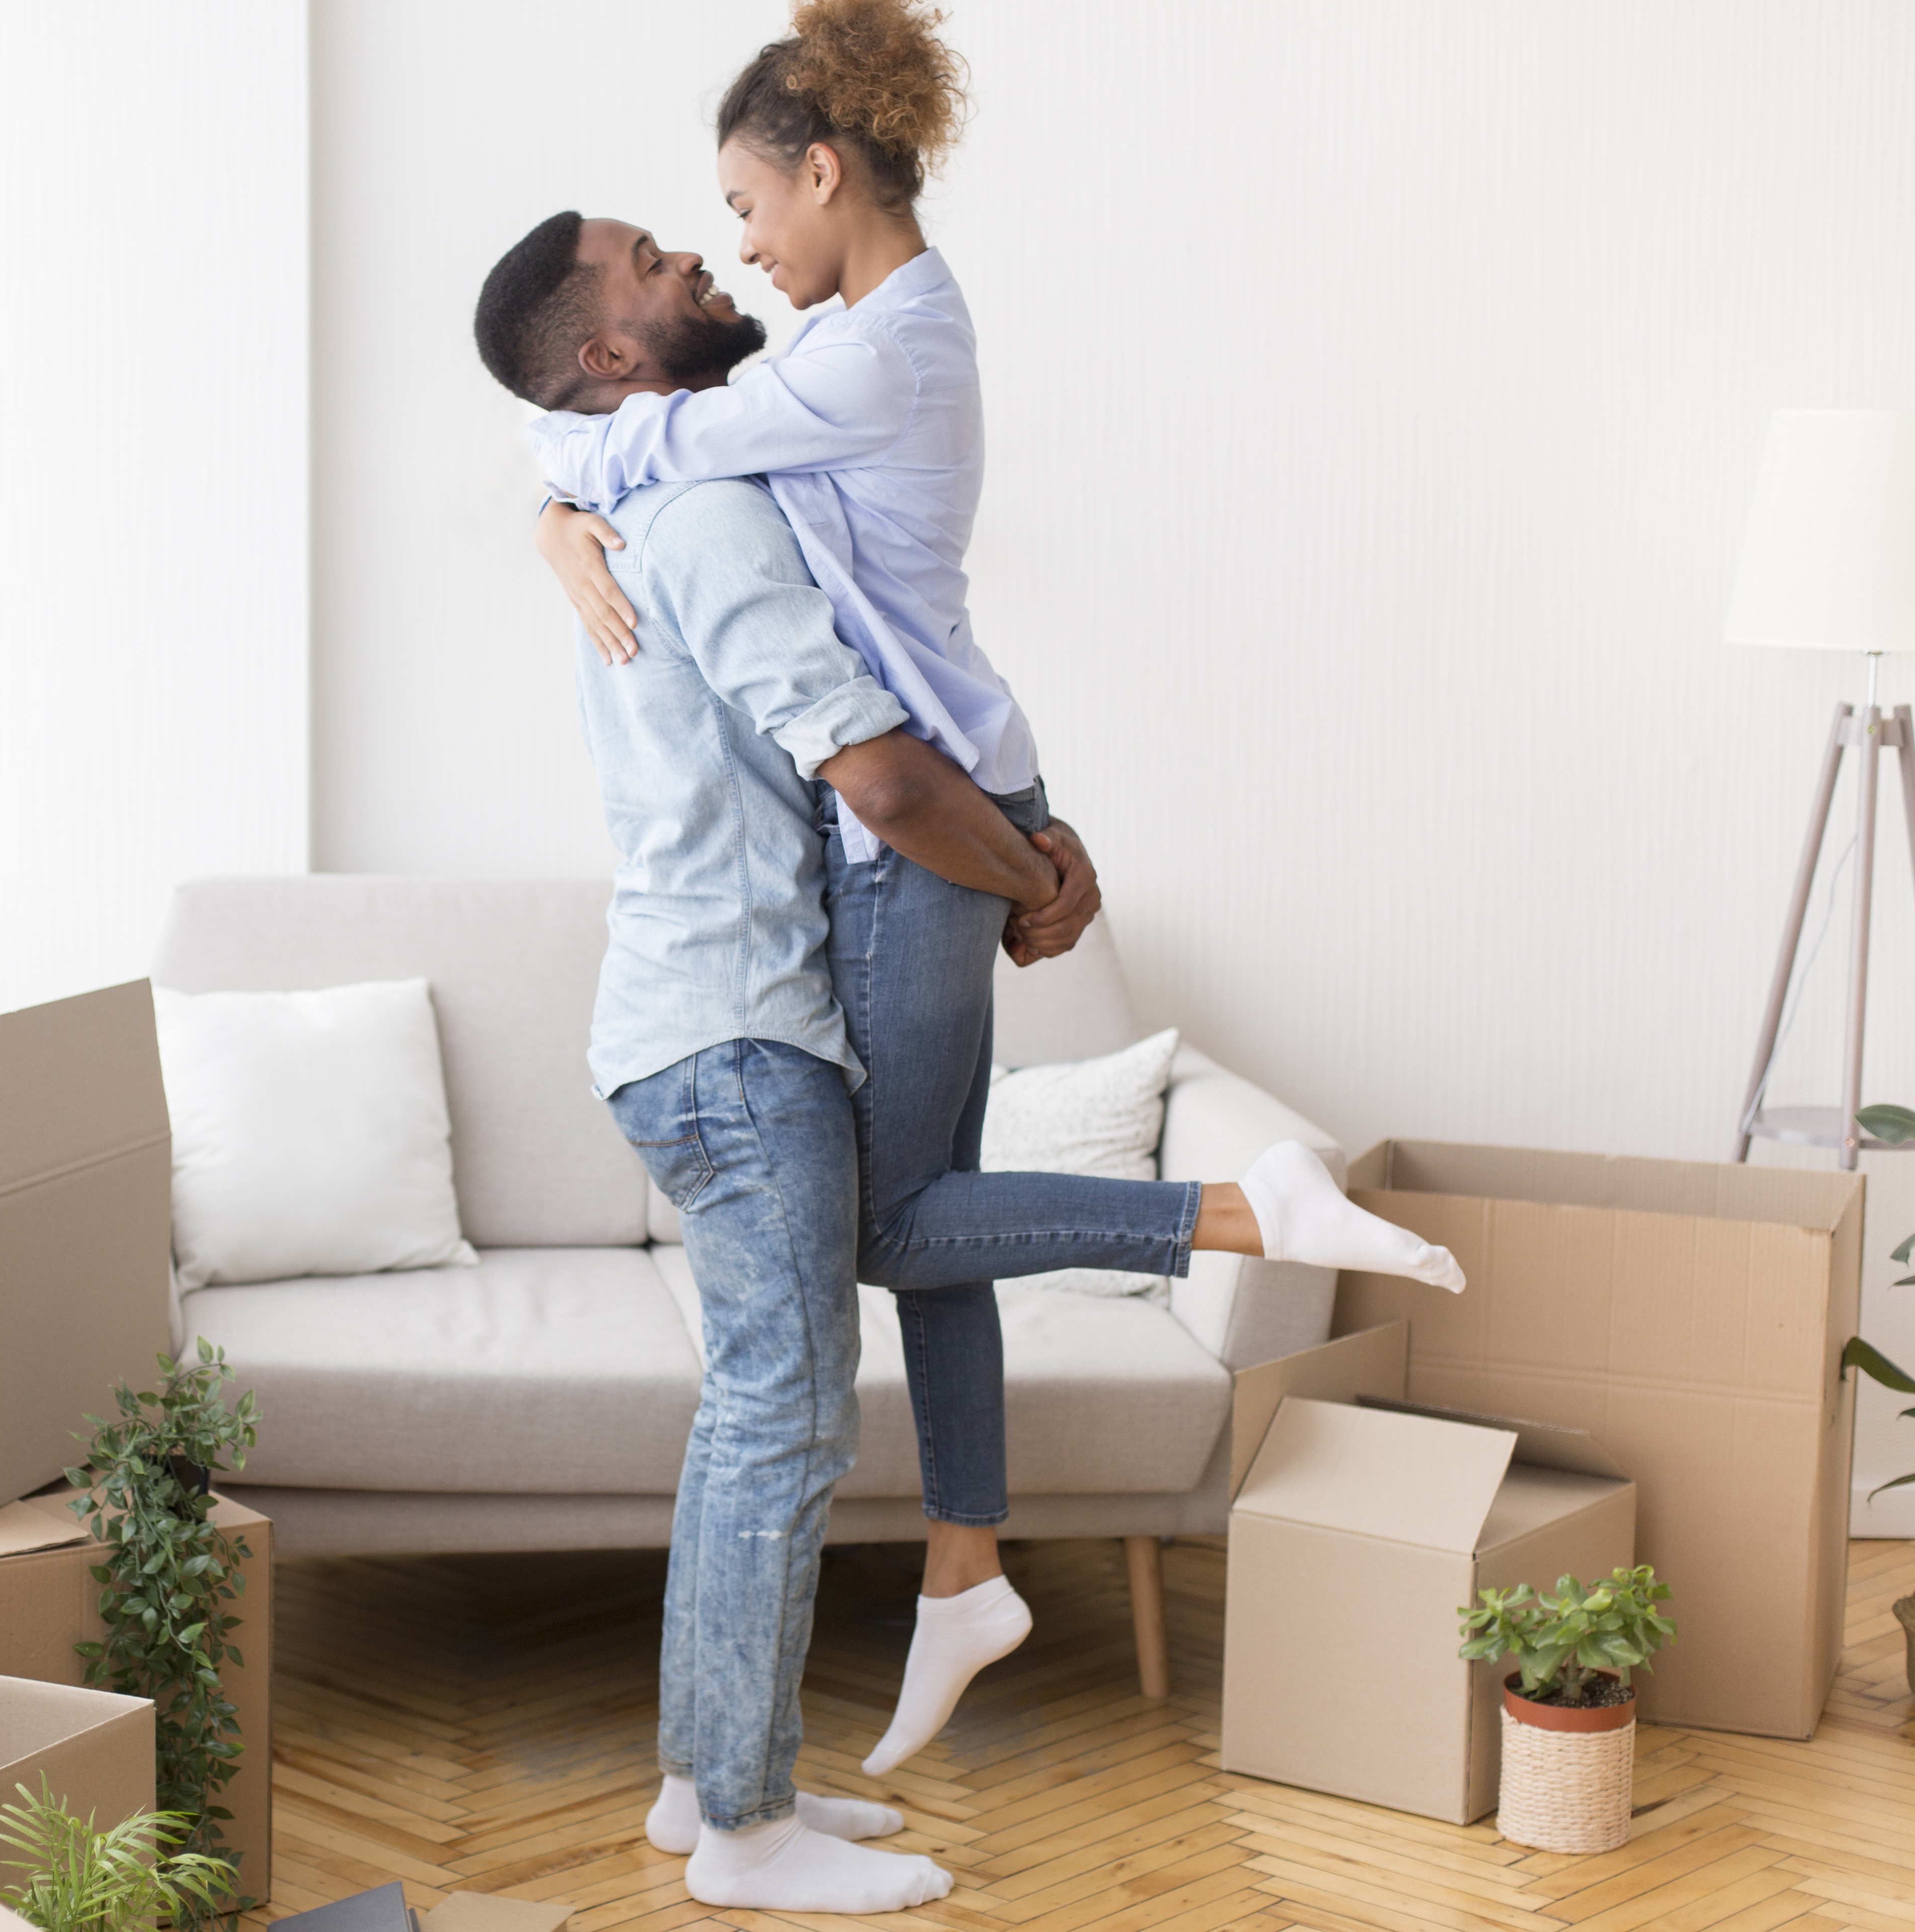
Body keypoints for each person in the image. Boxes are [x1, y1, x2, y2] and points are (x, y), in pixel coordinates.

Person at [472, 209, 1466, 1916]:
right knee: (785, 1421)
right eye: (656, 260)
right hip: (729, 1034)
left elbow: (555, 435)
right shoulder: (705, 515)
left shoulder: (639, 477)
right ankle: (746, 1837)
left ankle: (703, 1784)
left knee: (761, 1404)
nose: (700, 262)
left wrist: (551, 513)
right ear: (616, 356)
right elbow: (872, 775)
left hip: (695, 1028)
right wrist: (1040, 876)